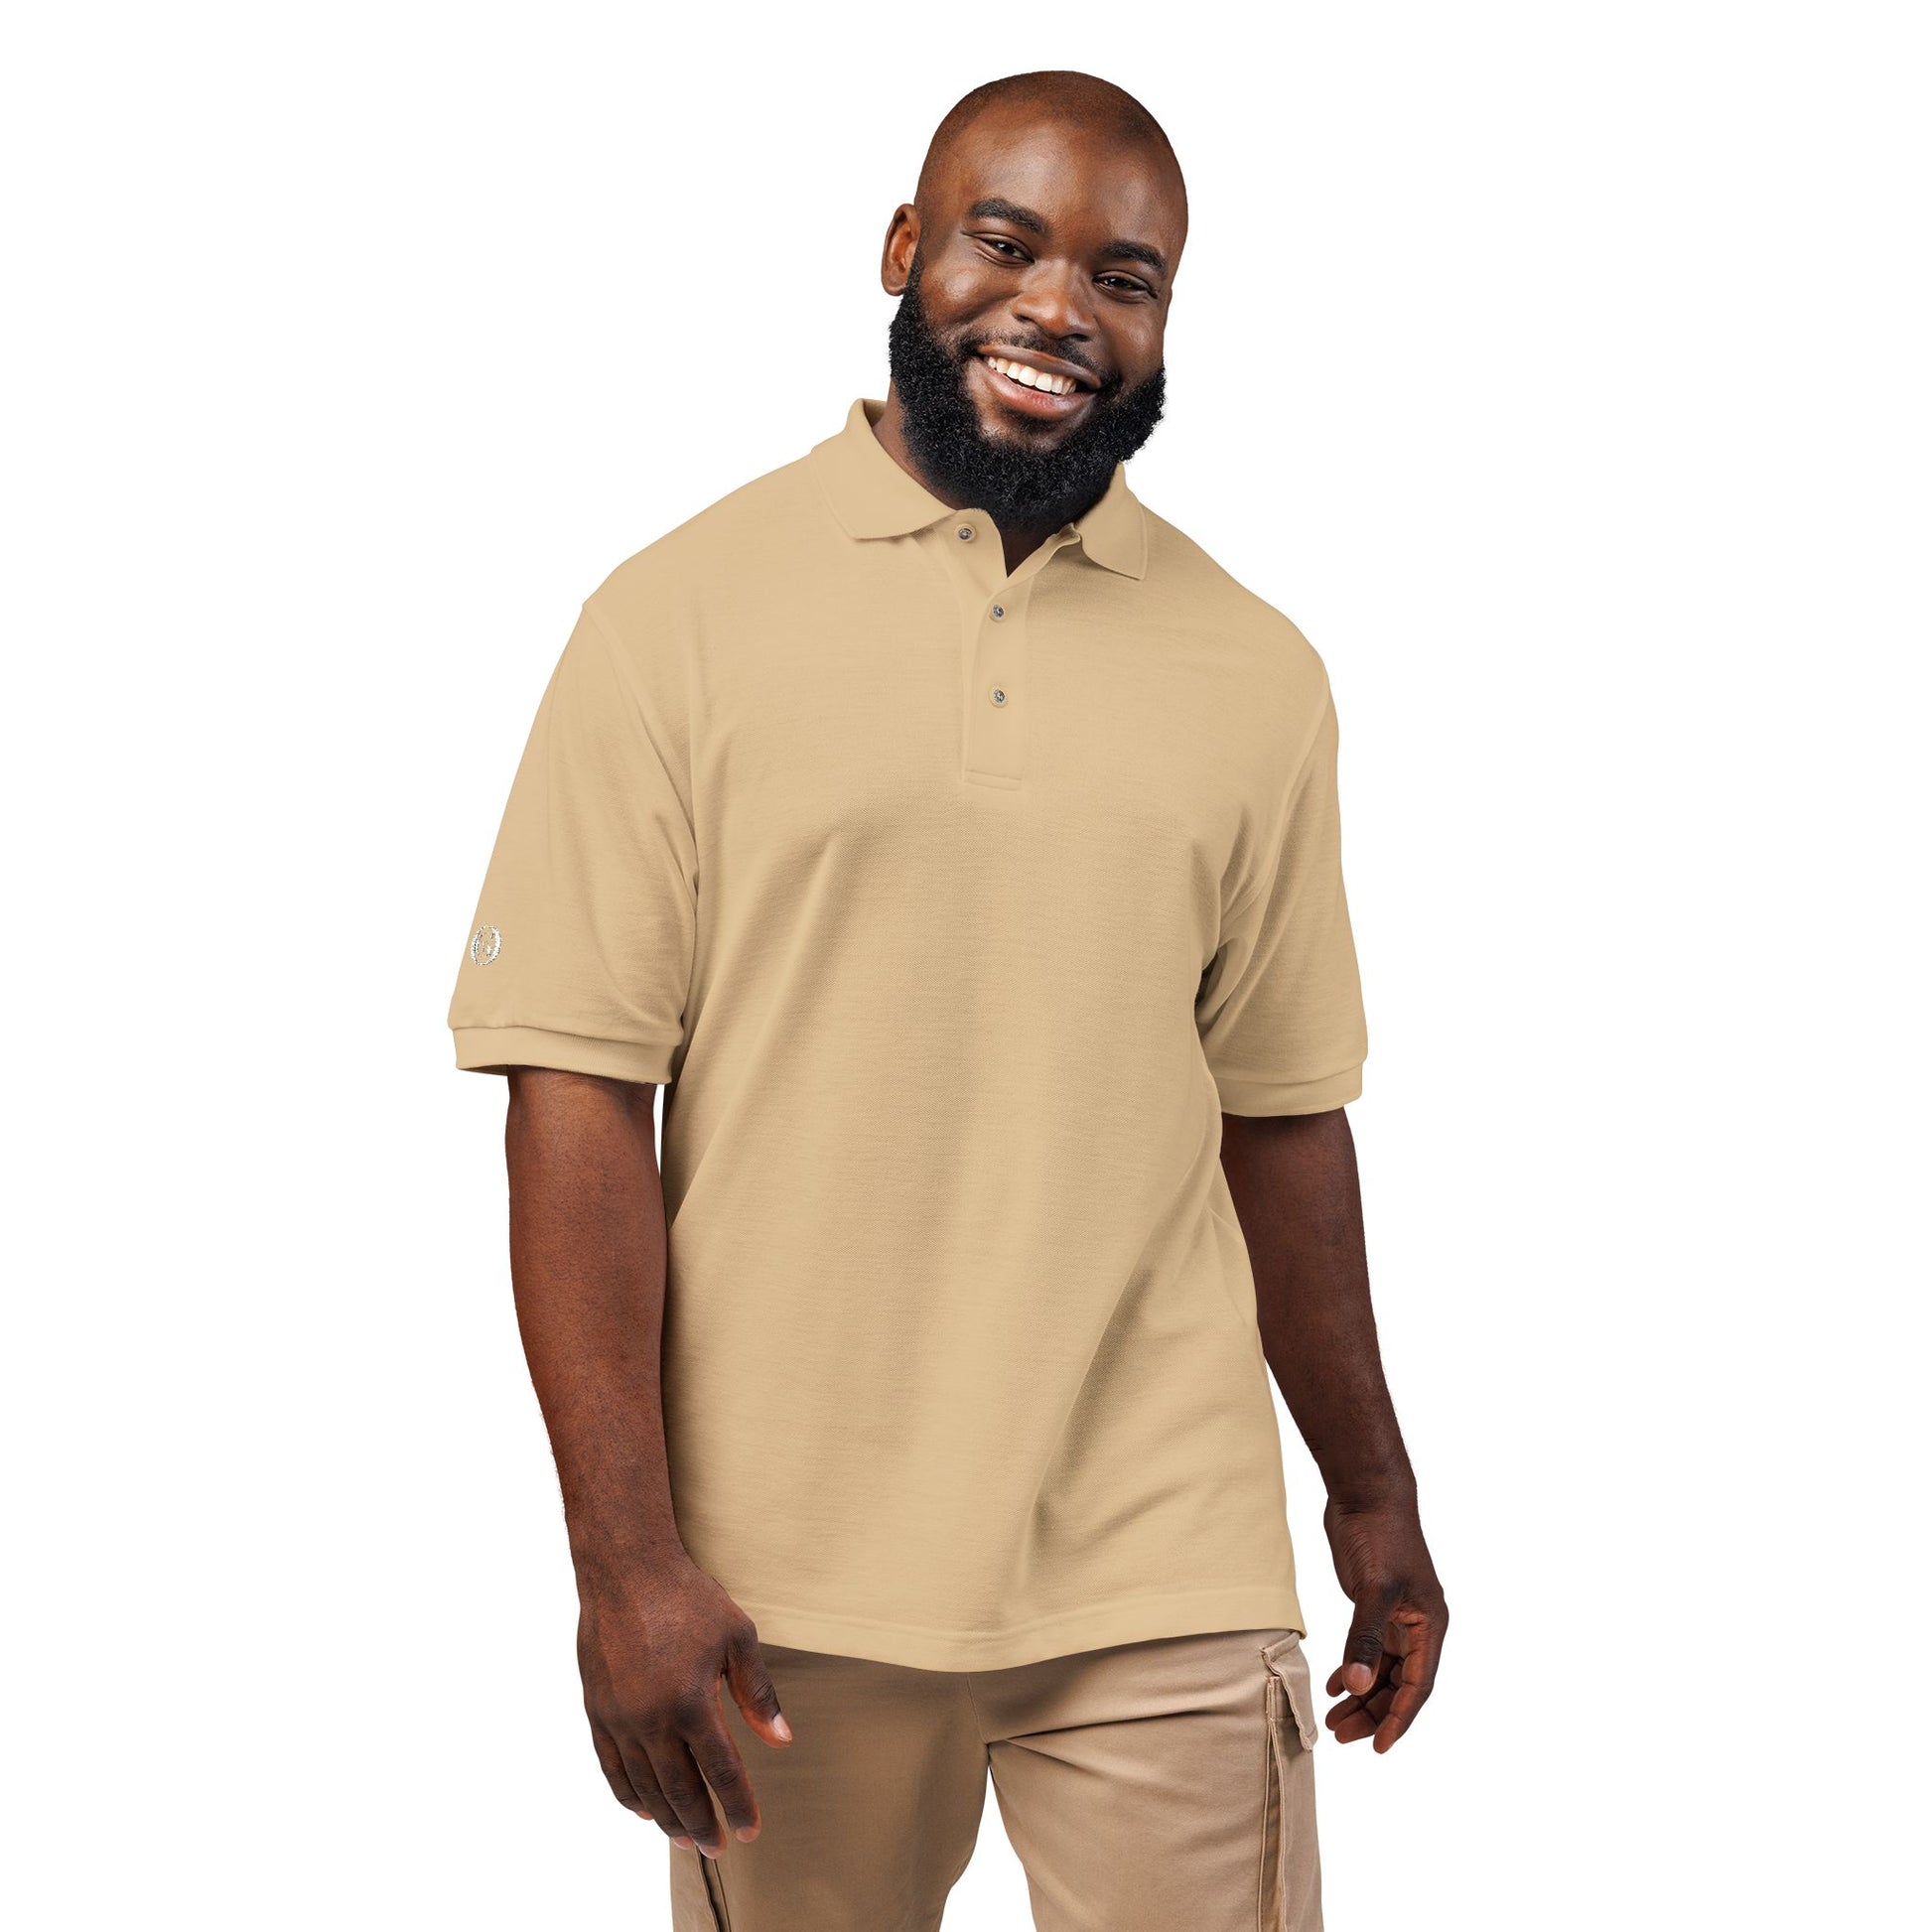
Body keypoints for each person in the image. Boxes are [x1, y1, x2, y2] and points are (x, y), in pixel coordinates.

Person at [449, 69, 1447, 1932]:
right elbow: (573, 1094)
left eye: (1124, 277)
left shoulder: (1256, 671)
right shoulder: (673, 619)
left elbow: (1281, 1107)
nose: (1060, 307)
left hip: (1161, 1553)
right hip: (777, 1584)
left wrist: (1371, 1491)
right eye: (1007, 242)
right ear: (906, 248)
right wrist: (624, 1560)